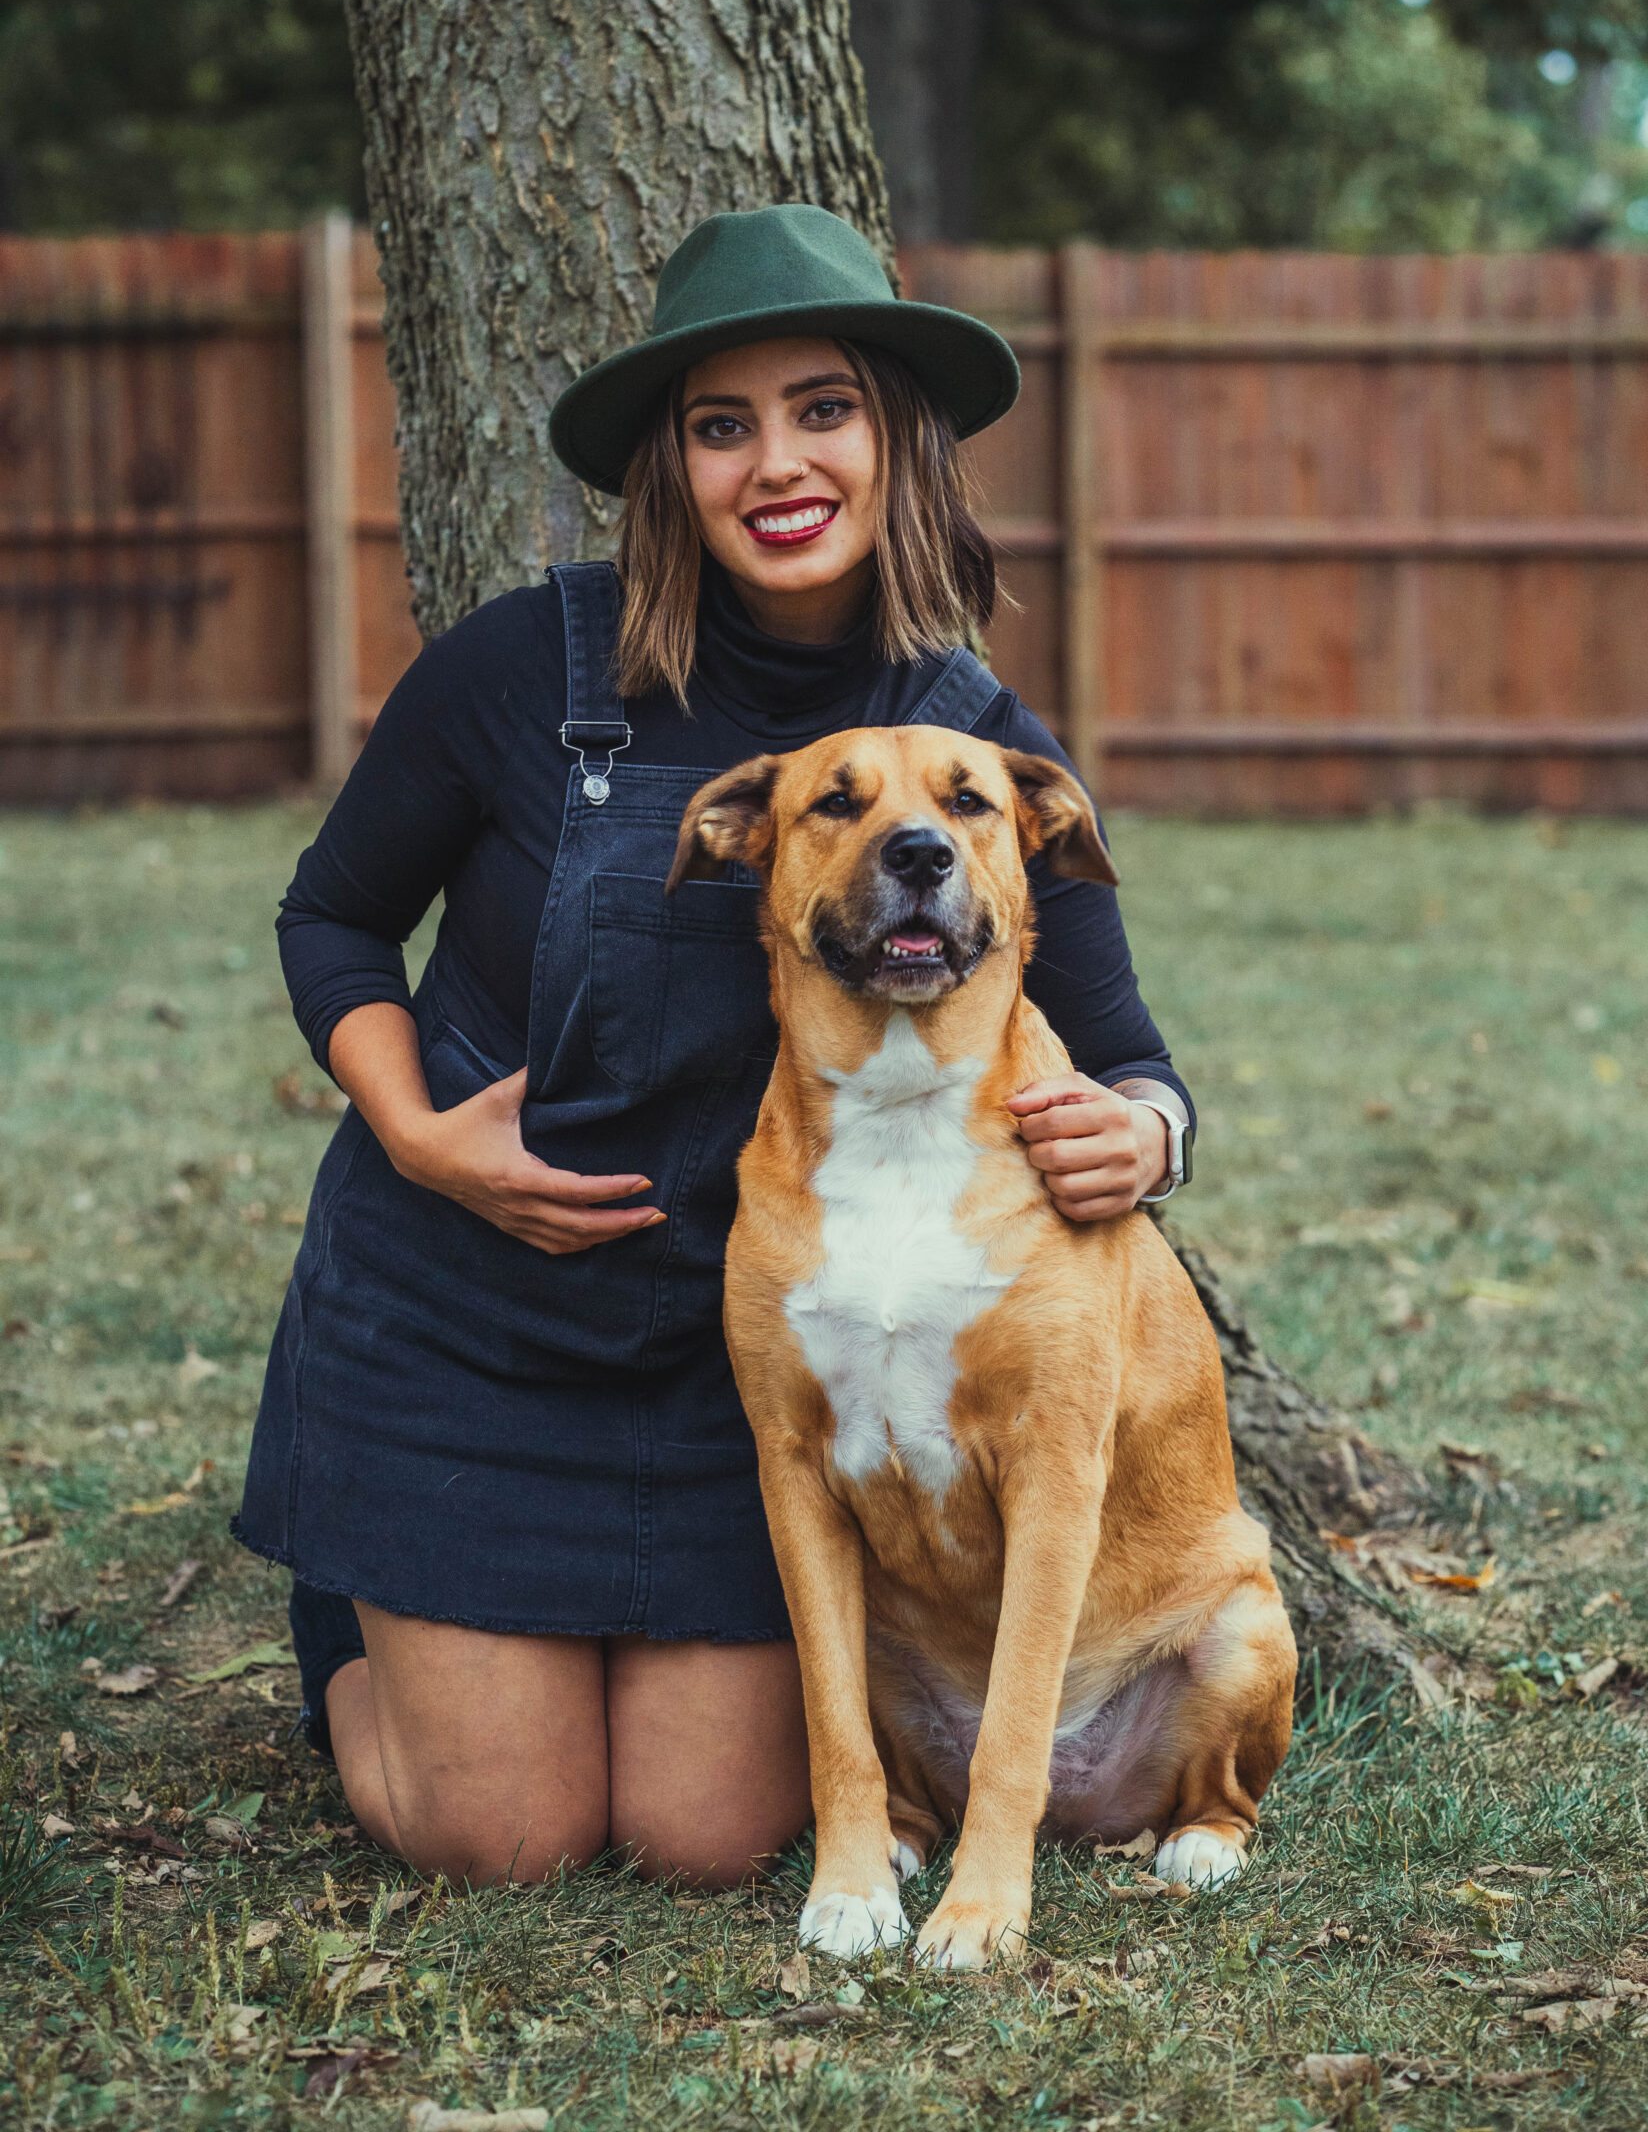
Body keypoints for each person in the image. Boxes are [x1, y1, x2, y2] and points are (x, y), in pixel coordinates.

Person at [235, 204, 1195, 1890]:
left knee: (705, 1836)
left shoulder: (969, 746)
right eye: (720, 424)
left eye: (822, 409)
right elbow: (332, 918)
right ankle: (367, 1610)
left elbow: (1121, 1042)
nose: (777, 462)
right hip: (464, 1320)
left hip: (744, 1363)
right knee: (508, 1833)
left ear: (894, 437)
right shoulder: (525, 670)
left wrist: (1152, 1131)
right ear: (670, 468)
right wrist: (414, 1131)